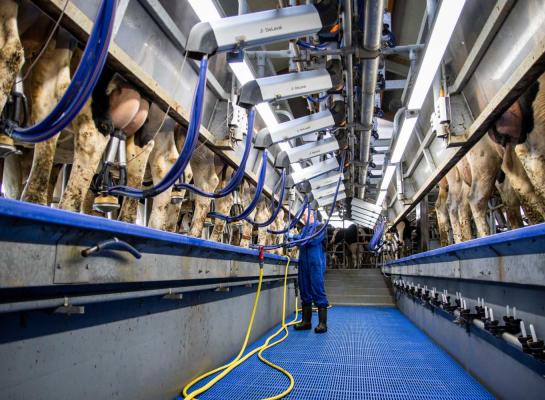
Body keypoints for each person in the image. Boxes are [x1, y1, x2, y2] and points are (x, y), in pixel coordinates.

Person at [289, 210, 329, 333]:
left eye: (304, 215)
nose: (303, 217)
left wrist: (294, 237)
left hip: (315, 264)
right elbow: (302, 240)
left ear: (312, 215)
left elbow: (312, 240)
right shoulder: (304, 229)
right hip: (304, 264)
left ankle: (322, 324)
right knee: (304, 290)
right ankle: (306, 322)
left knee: (317, 289)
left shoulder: (320, 227)